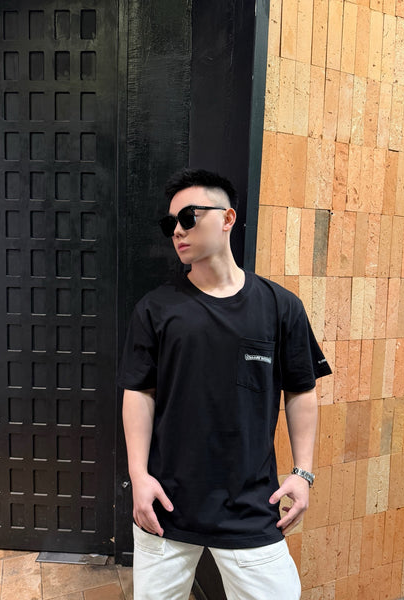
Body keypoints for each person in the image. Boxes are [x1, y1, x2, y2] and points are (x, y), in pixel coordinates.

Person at [118, 168, 332, 600]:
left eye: (189, 217)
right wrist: (138, 476)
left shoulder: (280, 306)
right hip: (166, 505)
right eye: (170, 223)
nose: (177, 231)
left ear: (228, 218)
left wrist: (303, 472)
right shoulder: (155, 310)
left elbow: (302, 389)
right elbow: (139, 392)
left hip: (252, 507)